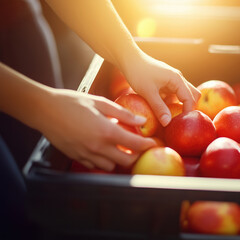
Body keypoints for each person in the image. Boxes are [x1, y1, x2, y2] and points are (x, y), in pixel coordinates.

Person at [0, 0, 200, 238]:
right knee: (16, 215)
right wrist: (45, 109)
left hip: (12, 17)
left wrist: (130, 55)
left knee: (37, 175)